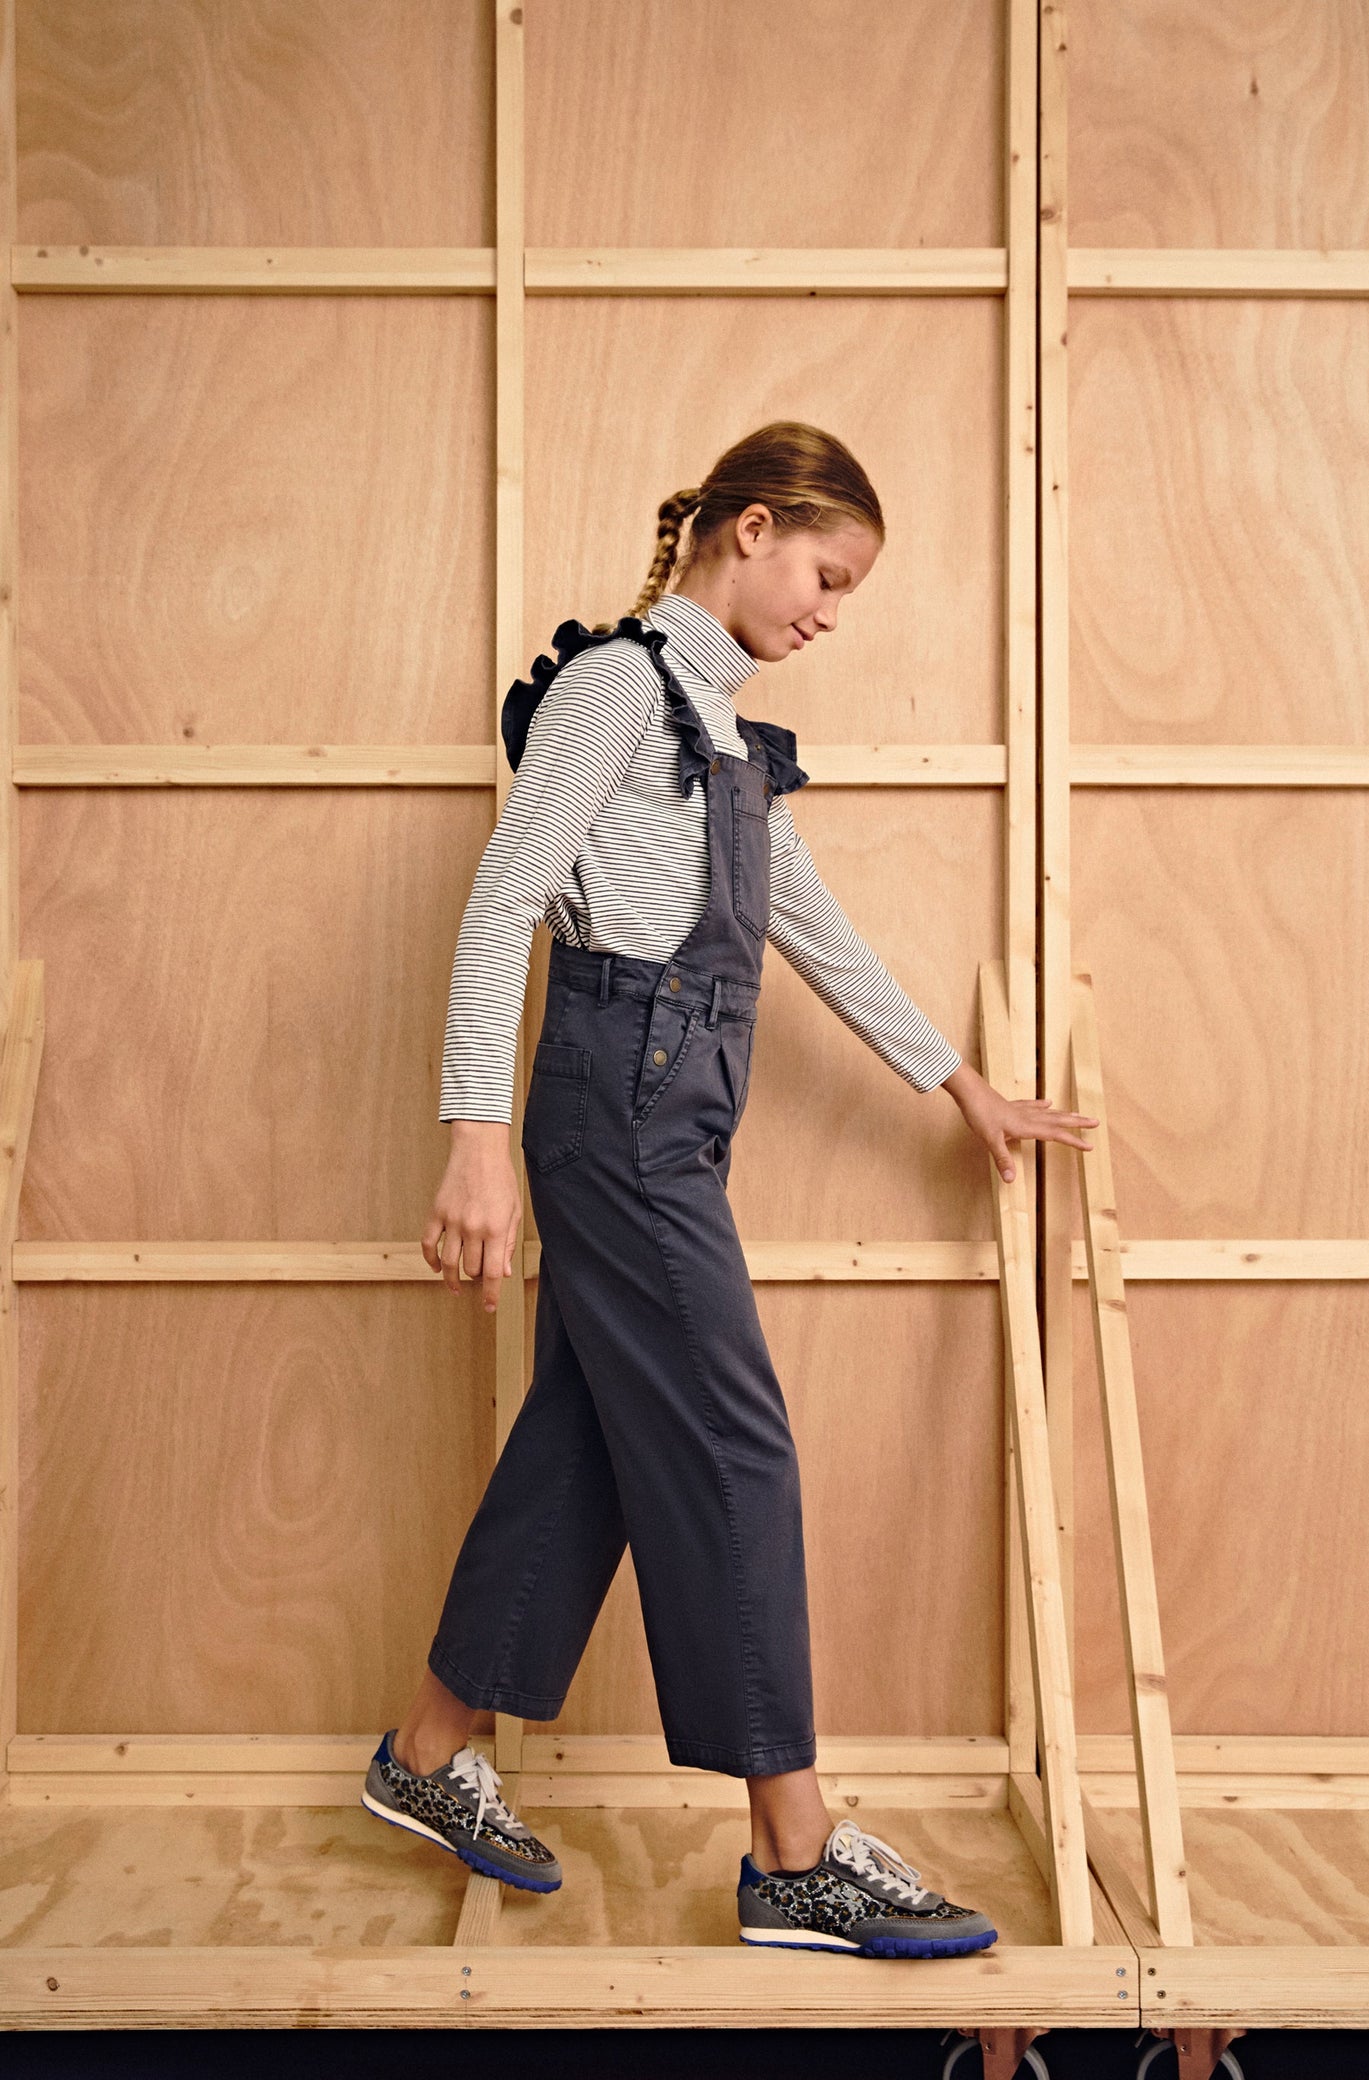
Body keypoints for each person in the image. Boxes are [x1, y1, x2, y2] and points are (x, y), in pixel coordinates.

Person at [359, 421, 1097, 1958]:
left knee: (590, 1439)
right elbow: (503, 900)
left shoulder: (719, 723)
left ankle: (424, 1753)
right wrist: (474, 1134)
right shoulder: (616, 683)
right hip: (615, 1109)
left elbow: (803, 916)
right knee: (731, 1442)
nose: (830, 614)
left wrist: (954, 1080)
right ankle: (791, 1852)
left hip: (670, 1116)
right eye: (827, 576)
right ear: (749, 531)